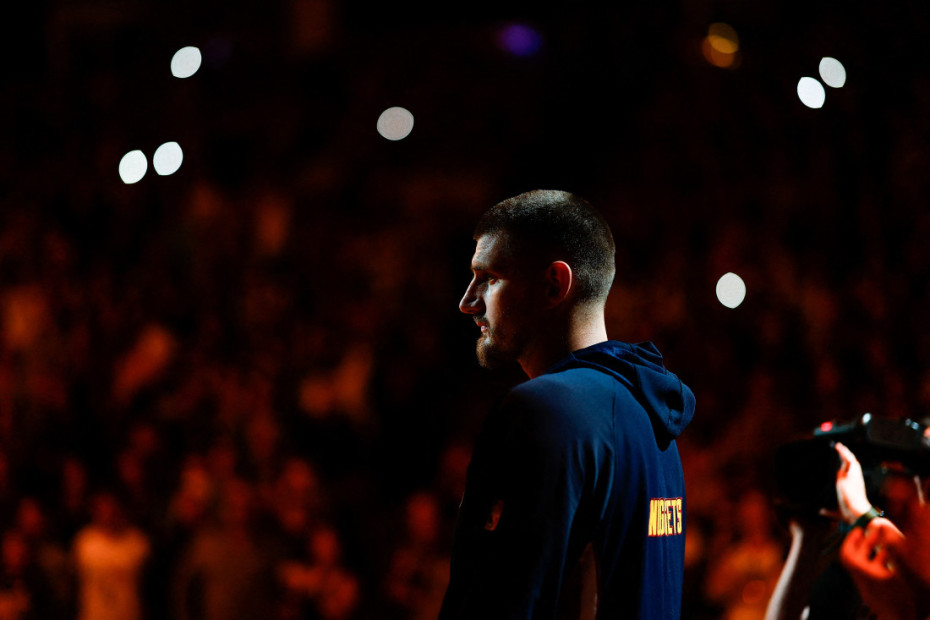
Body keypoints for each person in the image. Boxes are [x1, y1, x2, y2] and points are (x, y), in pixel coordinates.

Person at [439, 189, 696, 619]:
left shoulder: (546, 410)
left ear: (554, 284)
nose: (467, 301)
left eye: (489, 278)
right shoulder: (654, 421)